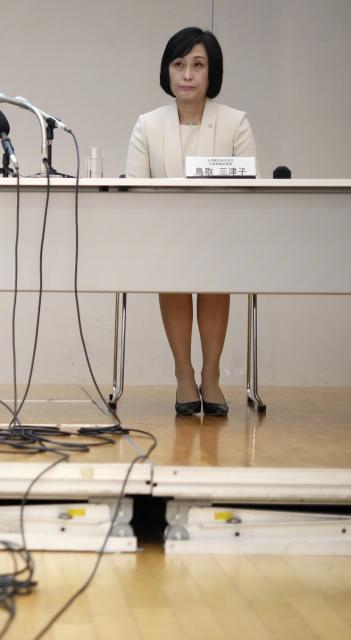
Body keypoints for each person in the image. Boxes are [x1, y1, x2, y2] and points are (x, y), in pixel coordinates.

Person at [126, 26, 256, 417]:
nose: (187, 74)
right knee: (173, 273)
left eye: (197, 65)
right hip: (165, 237)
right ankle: (184, 372)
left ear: (211, 73)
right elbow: (134, 187)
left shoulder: (236, 122)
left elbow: (248, 187)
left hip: (221, 236)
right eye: (179, 64)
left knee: (216, 275)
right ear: (167, 72)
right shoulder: (147, 124)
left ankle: (212, 374)